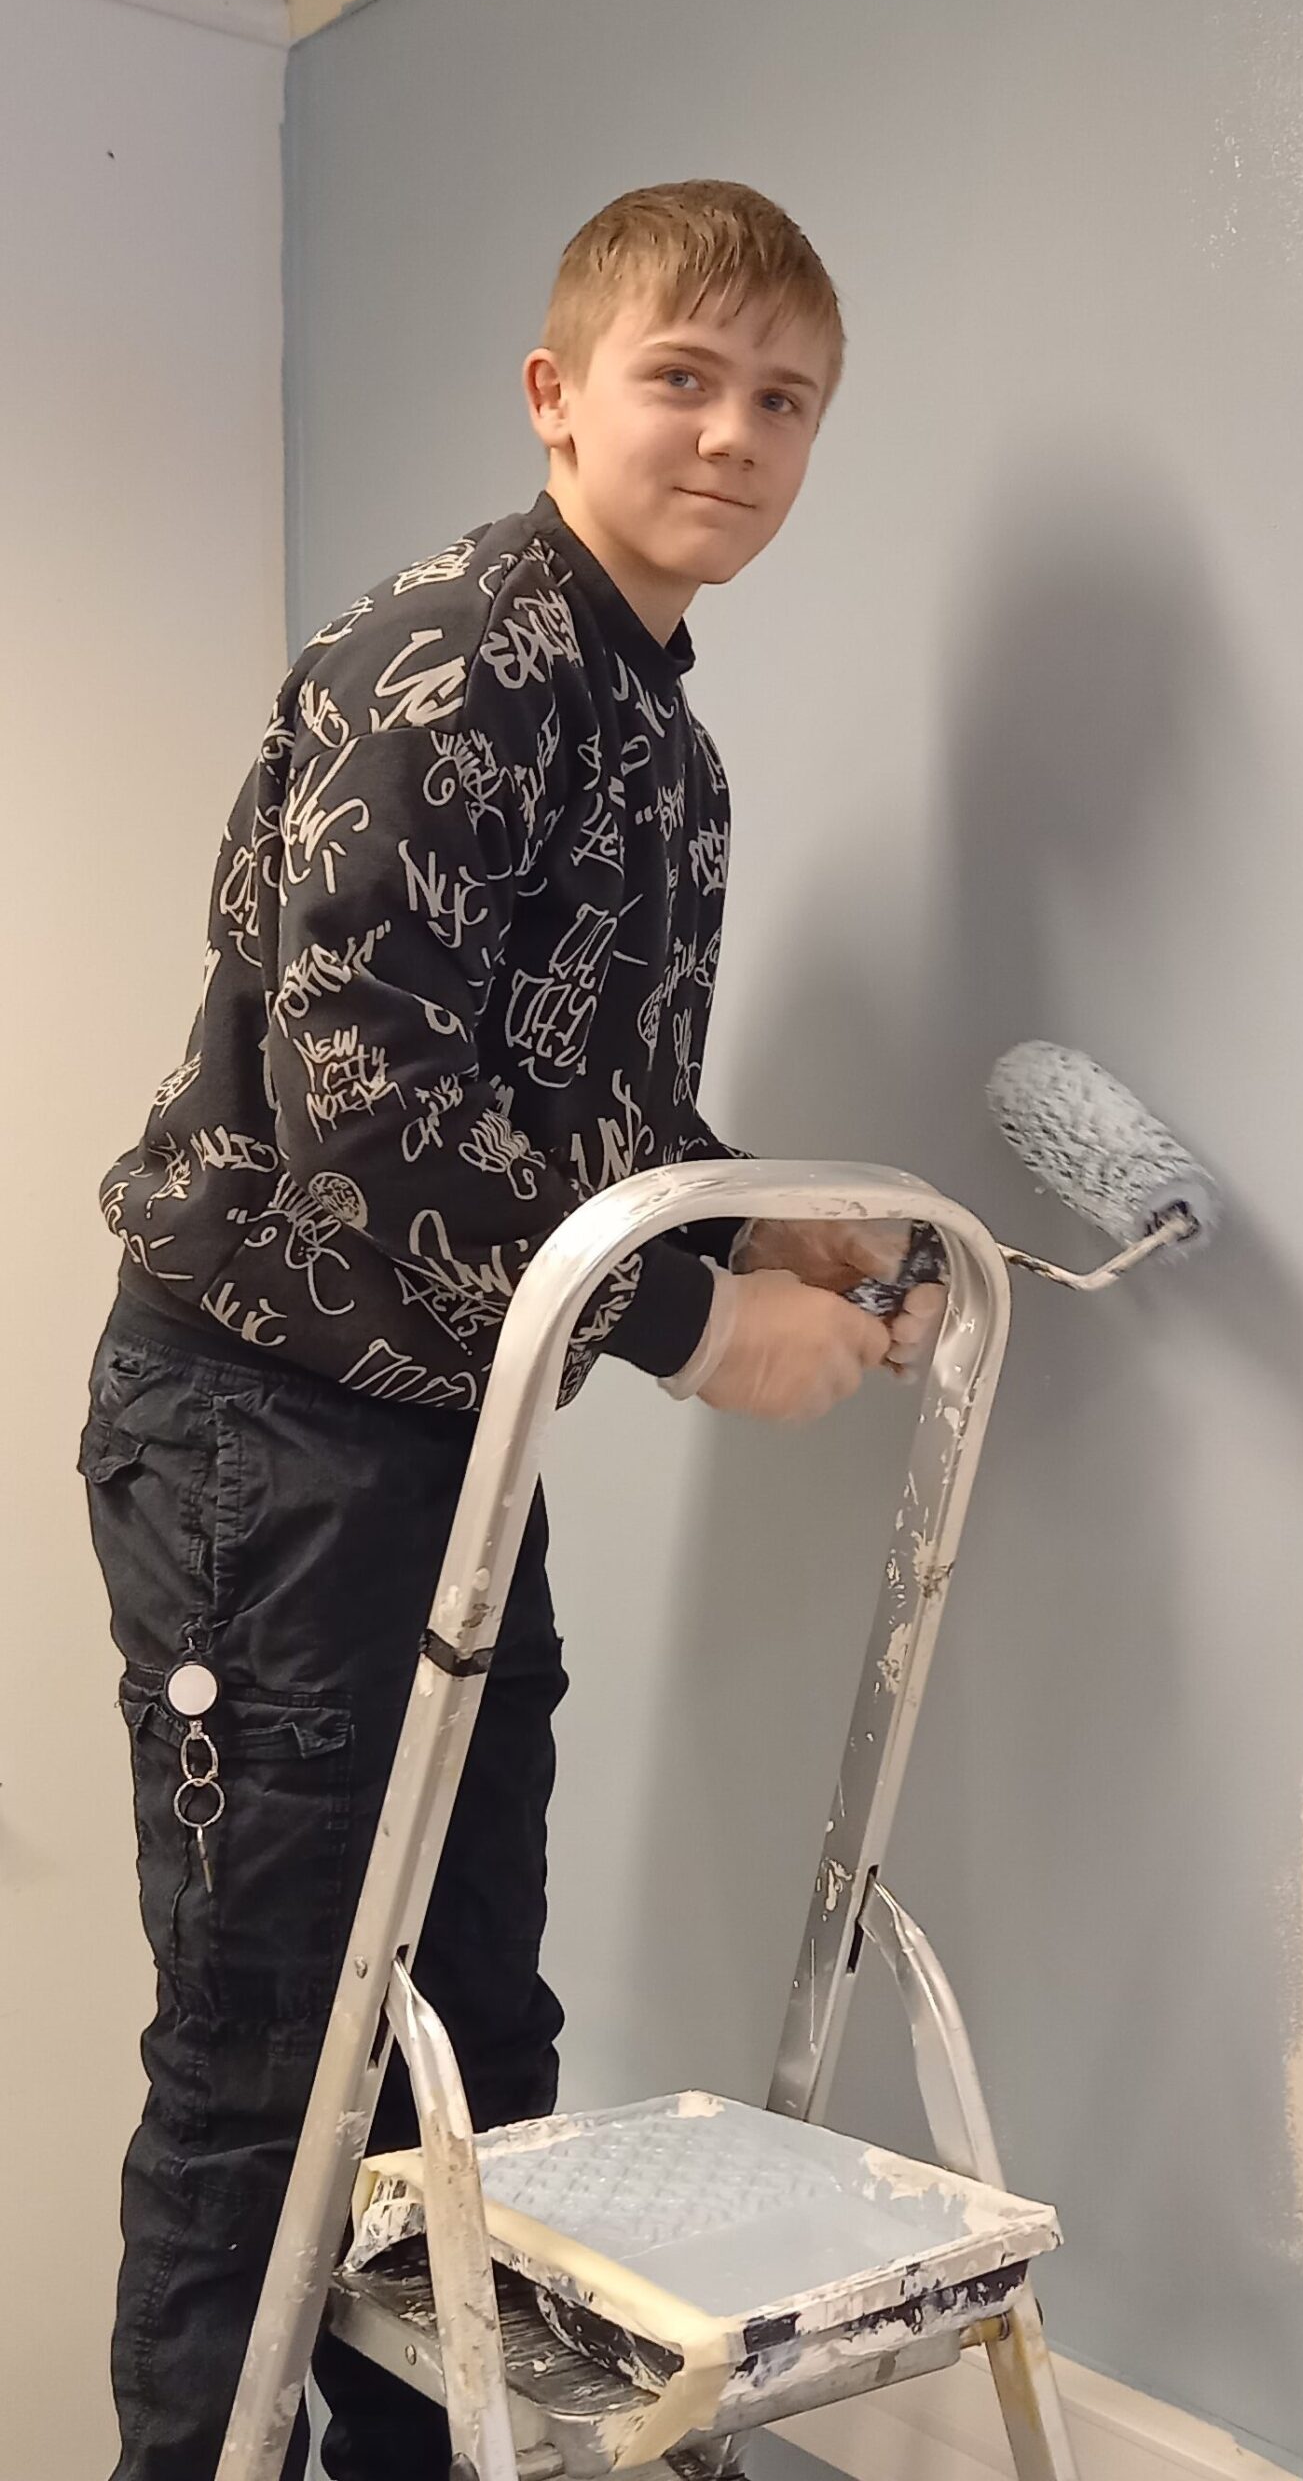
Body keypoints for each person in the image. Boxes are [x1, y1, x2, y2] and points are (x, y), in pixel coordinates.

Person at [79, 178, 944, 2480]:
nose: (736, 434)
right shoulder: (462, 655)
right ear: (558, 397)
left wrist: (776, 1220)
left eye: (786, 400)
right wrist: (693, 1321)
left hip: (446, 1438)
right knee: (279, 2058)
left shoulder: (663, 743)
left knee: (469, 2035)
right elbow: (365, 1111)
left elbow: (583, 1105)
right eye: (686, 377)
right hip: (265, 1436)